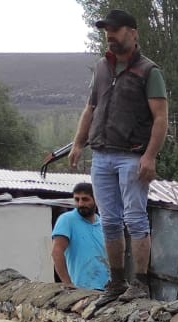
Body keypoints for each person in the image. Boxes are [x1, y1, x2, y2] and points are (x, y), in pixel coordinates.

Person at [68, 8, 169, 303]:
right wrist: (77, 143)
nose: (110, 35)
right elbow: (91, 108)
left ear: (133, 33)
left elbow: (161, 118)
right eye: (106, 31)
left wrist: (150, 156)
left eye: (115, 29)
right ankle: (115, 282)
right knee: (110, 221)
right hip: (101, 155)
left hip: (132, 156)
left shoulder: (149, 71)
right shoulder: (102, 67)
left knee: (135, 218)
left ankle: (140, 283)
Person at [50, 182, 109, 290]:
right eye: (77, 199)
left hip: (107, 289)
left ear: (96, 199)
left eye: (85, 199)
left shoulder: (103, 224)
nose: (81, 204)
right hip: (82, 290)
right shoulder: (67, 220)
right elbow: (56, 252)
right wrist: (68, 283)